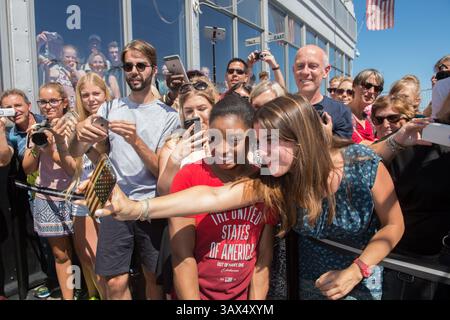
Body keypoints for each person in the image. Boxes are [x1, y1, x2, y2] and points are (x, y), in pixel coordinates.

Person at [79, 94, 404, 300]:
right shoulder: (277, 179)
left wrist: (356, 269)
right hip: (306, 286)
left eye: (267, 142)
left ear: (298, 140)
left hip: (361, 284)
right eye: (256, 142)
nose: (258, 152)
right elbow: (211, 197)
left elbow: (394, 226)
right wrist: (136, 207)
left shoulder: (362, 165)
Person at [70, 39, 180, 300]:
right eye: (128, 66)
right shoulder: (110, 107)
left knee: (154, 279)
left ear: (153, 69)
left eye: (140, 65)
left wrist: (136, 141)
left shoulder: (168, 115)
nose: (134, 71)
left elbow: (162, 173)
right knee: (114, 282)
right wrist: (79, 136)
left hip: (151, 207)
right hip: (114, 202)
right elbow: (82, 152)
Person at [169, 95, 274, 300]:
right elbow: (182, 257)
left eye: (234, 140)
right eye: (214, 138)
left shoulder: (265, 181)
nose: (223, 149)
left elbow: (263, 259)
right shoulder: (189, 176)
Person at [383, 90, 450, 300]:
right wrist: (394, 143)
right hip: (412, 265)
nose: (385, 123)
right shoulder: (413, 140)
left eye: (392, 118)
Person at [0, 89, 59, 299]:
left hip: (62, 188)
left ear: (28, 106)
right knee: (46, 242)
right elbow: (19, 165)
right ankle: (54, 283)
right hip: (36, 193)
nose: (14, 111)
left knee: (70, 245)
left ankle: (77, 284)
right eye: (8, 108)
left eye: (18, 105)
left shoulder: (47, 120)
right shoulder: (9, 134)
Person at [24, 83, 77, 300]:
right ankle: (69, 296)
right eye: (43, 102)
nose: (48, 106)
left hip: (74, 195)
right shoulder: (37, 128)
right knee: (60, 253)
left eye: (53, 101)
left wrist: (52, 146)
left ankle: (86, 290)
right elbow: (27, 168)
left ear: (64, 102)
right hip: (48, 196)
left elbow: (72, 167)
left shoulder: (74, 126)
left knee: (84, 252)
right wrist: (37, 144)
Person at [67, 73, 111, 299]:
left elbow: (110, 162)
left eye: (96, 93)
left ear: (105, 94)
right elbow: (71, 163)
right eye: (85, 95)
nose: (91, 99)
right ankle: (96, 295)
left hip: (104, 195)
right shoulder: (76, 124)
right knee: (87, 255)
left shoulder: (114, 120)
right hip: (80, 195)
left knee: (105, 262)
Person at [293, 45, 353, 139]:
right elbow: (266, 150)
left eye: (313, 66)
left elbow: (343, 151)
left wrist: (328, 139)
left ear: (326, 71)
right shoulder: (278, 108)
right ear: (293, 70)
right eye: (300, 66)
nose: (305, 72)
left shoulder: (341, 111)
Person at [347, 69, 384, 144]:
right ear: (354, 86)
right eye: (367, 86)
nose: (372, 91)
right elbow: (358, 144)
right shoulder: (341, 113)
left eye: (377, 89)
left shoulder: (370, 118)